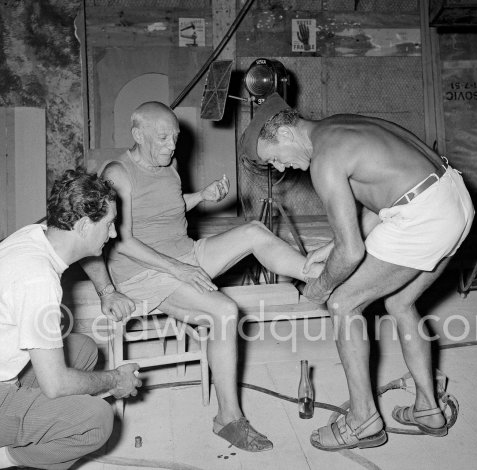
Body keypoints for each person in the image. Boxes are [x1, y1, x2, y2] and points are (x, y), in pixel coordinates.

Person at [81, 101, 323, 453]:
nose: (170, 145)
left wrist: (202, 197)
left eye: (174, 138)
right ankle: (228, 418)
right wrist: (178, 269)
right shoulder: (118, 173)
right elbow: (125, 240)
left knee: (254, 231)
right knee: (224, 311)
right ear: (137, 134)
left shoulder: (170, 164)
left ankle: (312, 273)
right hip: (144, 273)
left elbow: (169, 205)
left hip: (184, 254)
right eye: (161, 138)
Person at [241, 93, 474, 451]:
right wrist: (329, 248)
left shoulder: (324, 161)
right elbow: (384, 203)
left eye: (275, 158)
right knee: (399, 302)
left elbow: (352, 252)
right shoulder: (337, 127)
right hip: (453, 198)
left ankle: (363, 420)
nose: (282, 168)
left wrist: (319, 288)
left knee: (344, 304)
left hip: (424, 217)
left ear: (286, 134)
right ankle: (428, 409)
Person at [0, 170, 141, 470]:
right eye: (108, 224)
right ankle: (7, 458)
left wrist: (107, 291)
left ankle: (31, 425)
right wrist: (116, 380)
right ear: (80, 225)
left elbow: (85, 251)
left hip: (6, 368)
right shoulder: (38, 280)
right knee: (97, 420)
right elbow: (55, 384)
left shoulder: (37, 234)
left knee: (85, 351)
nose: (114, 234)